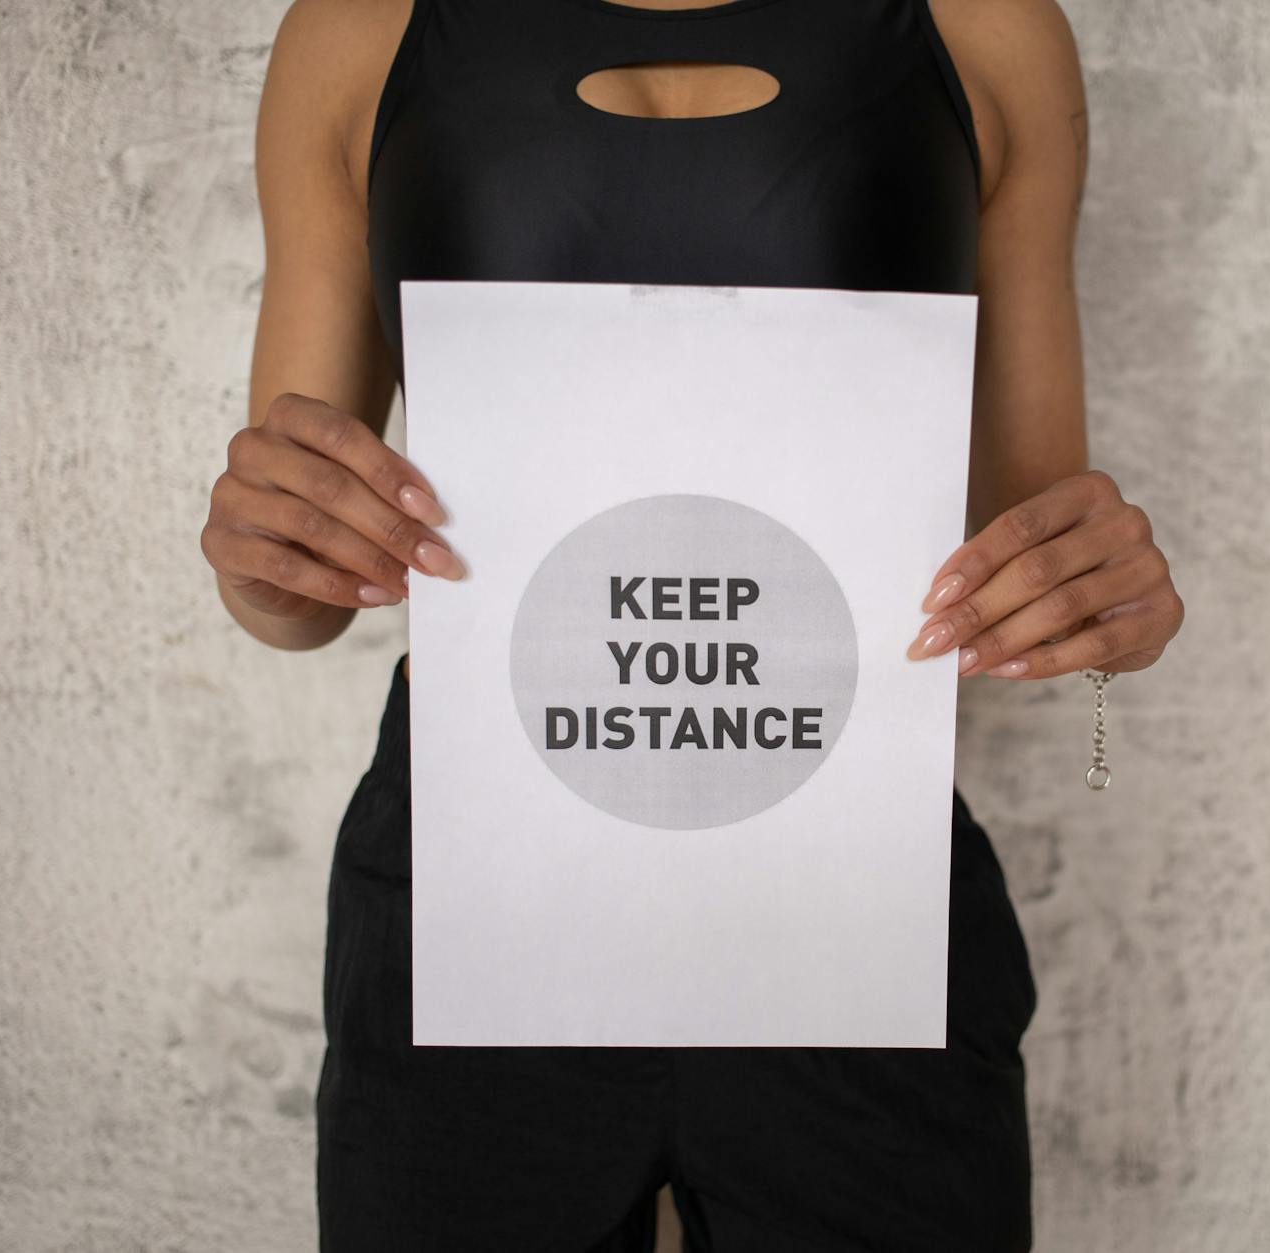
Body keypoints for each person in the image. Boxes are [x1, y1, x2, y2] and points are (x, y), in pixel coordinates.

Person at [198, 0, 1183, 1247]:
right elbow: (292, 579)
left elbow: (1024, 534)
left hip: (850, 903)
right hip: (478, 905)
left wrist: (1100, 601)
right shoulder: (361, 30)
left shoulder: (984, 30)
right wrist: (268, 562)